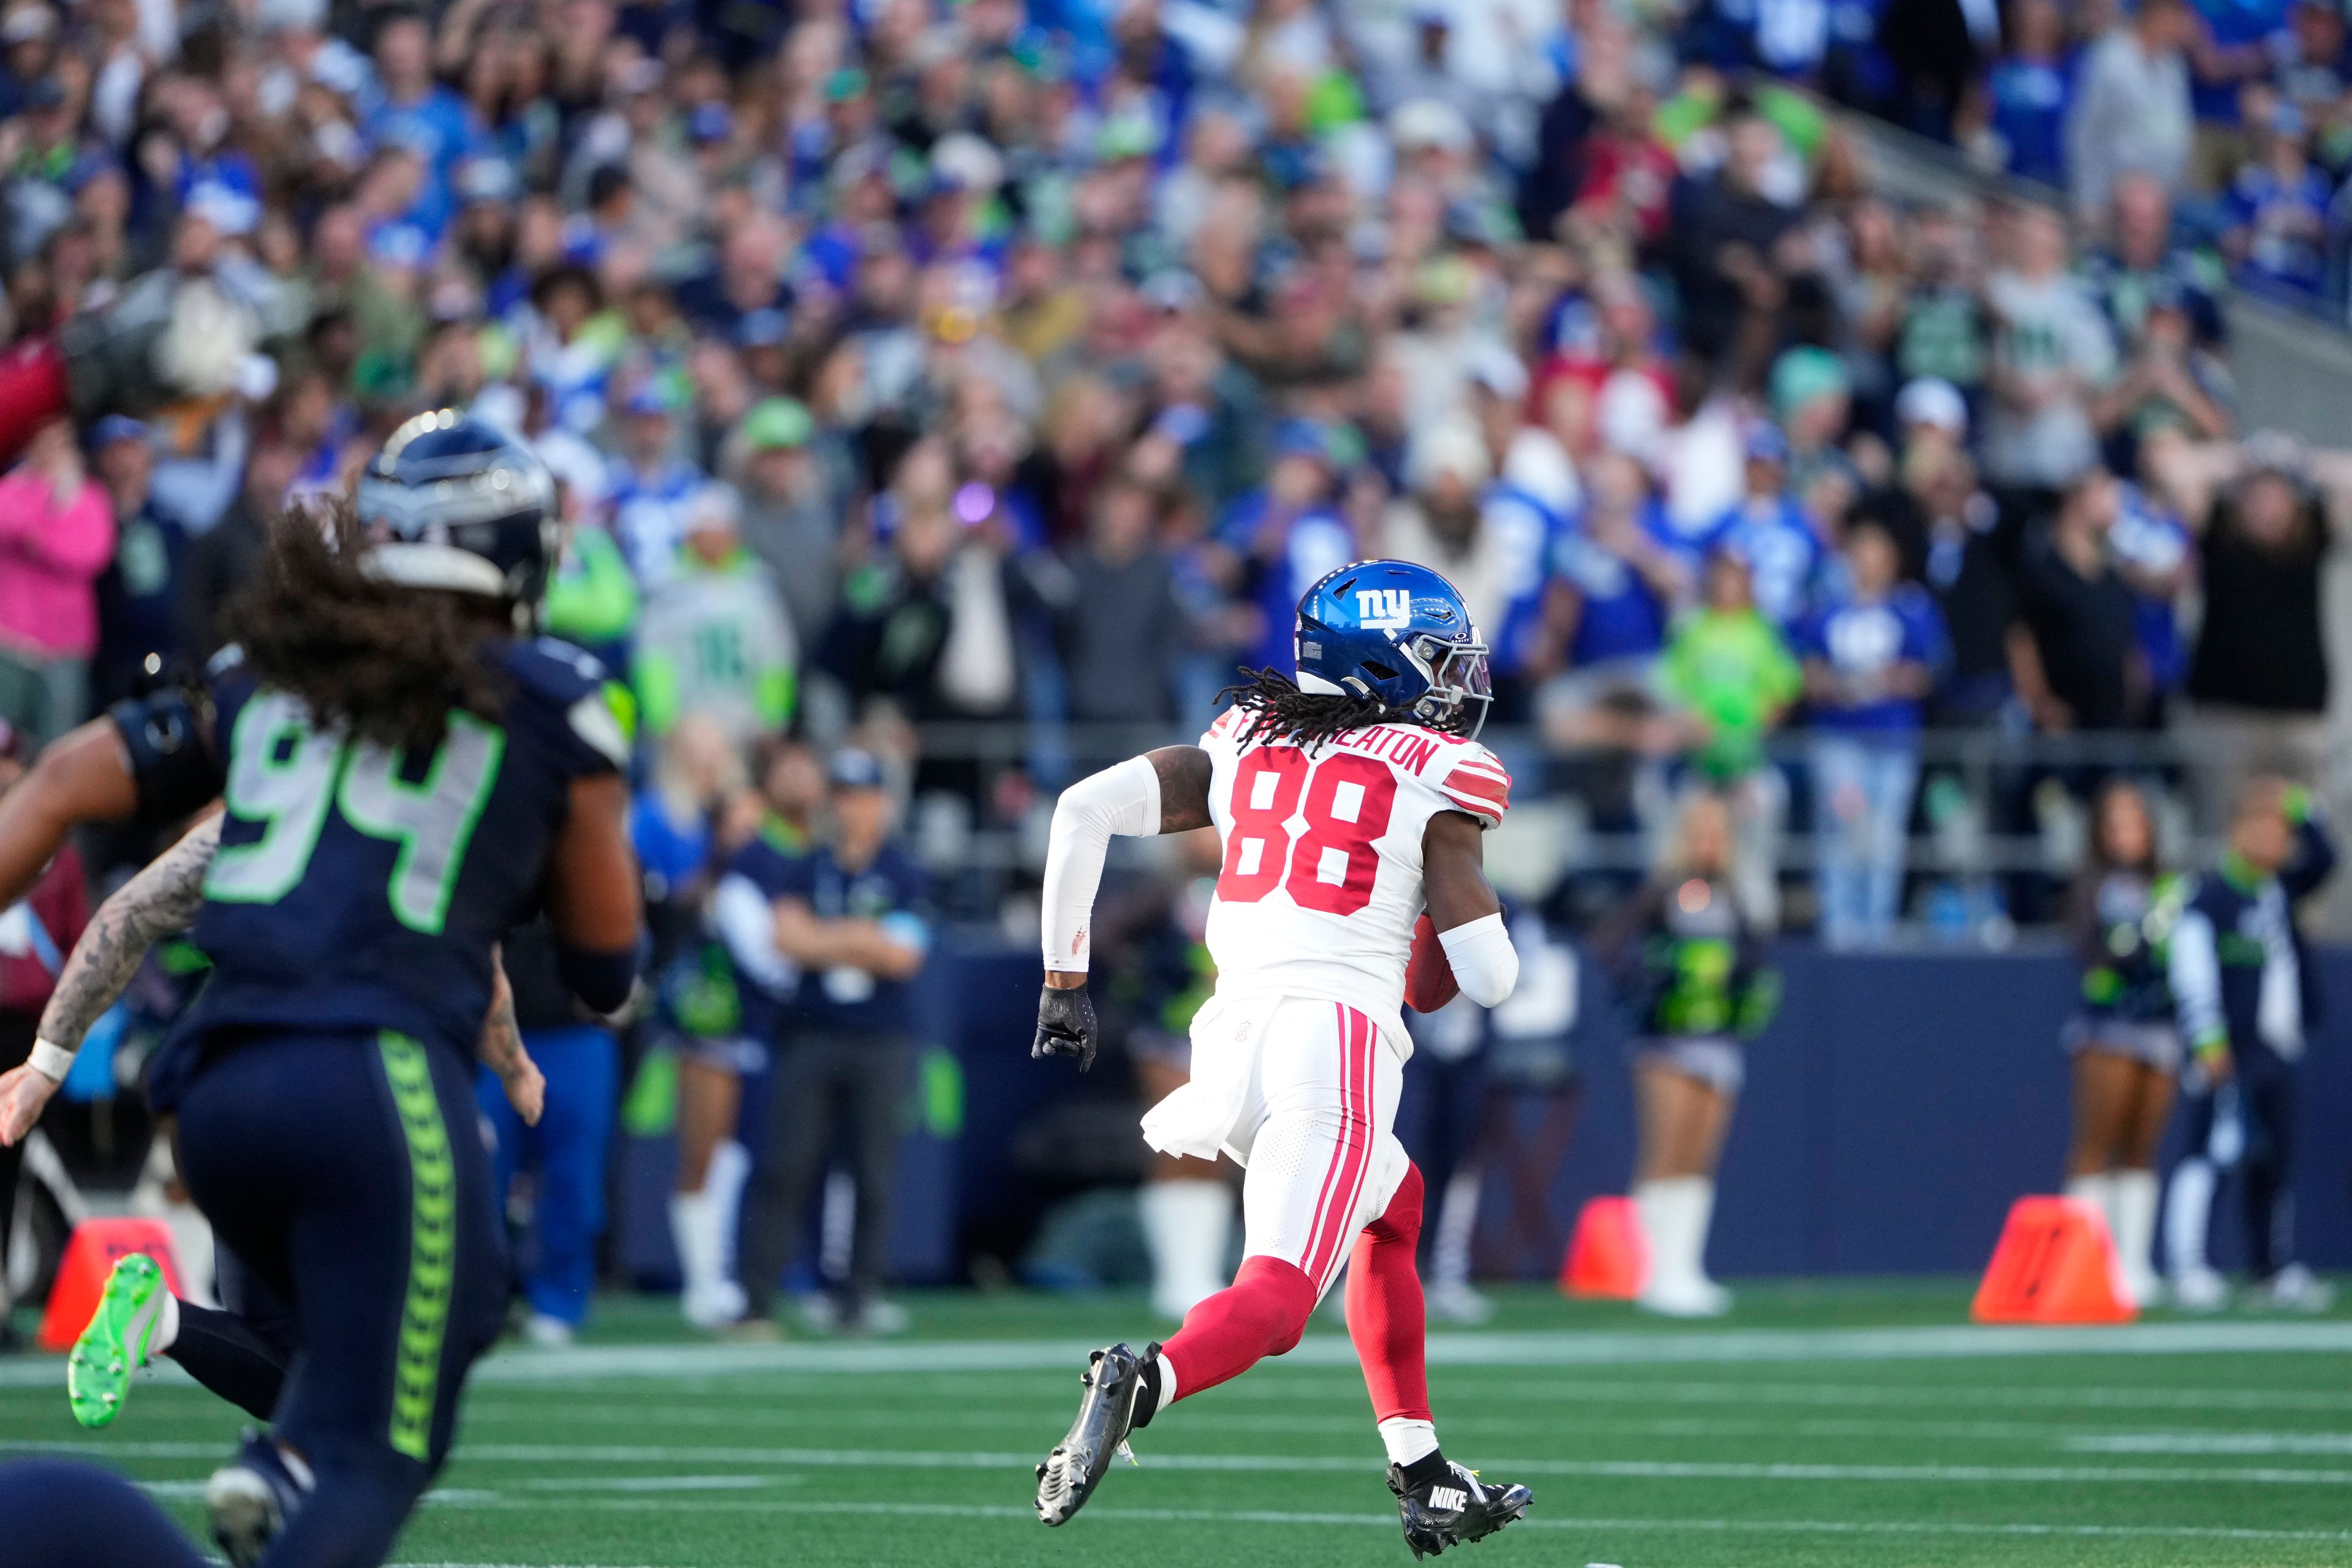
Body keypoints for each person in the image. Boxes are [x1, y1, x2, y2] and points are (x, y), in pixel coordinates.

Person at [0, 412, 641, 1568]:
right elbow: (607, 965)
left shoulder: (263, 677)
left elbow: (56, 784)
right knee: (384, 1441)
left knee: (369, 1343)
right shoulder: (552, 696)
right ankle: (300, 1463)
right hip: (374, 1074)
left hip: (219, 1087)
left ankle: (275, 1456)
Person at [1027, 559, 1534, 1555]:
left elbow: (1080, 810)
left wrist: (1063, 981)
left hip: (1230, 1039)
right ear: (1381, 663)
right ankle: (1144, 1382)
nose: (1457, 684)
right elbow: (1487, 980)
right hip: (1332, 1044)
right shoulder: (1436, 770)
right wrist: (1452, 901)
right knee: (1280, 1299)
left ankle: (1420, 1465)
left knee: (1395, 1202)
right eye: (1437, 661)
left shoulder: (1246, 733)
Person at [0, 812, 546, 1431]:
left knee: (282, 1357)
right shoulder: (423, 818)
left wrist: (46, 1064)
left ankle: (164, 1320)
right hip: (358, 1095)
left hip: (225, 1097)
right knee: (400, 1359)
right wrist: (516, 1067)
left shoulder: (257, 812)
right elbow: (494, 967)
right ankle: (304, 1482)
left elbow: (128, 912)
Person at [729, 747, 930, 1338]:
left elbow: (902, 956)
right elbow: (786, 939)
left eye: (863, 796)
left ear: (882, 803)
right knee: (786, 1163)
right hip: (812, 1033)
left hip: (880, 1038)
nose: (852, 809)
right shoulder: (805, 865)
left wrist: (827, 938)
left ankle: (857, 1297)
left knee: (872, 1170)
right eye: (842, 795)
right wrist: (860, 937)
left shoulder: (902, 870)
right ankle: (755, 1299)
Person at [1591, 792, 1781, 1317]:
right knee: (1666, 1152)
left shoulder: (1739, 894)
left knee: (1700, 1158)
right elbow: (1610, 941)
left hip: (1719, 1040)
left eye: (1716, 830)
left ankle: (1686, 1267)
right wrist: (1646, 986)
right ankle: (1653, 1272)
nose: (1707, 841)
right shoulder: (1661, 891)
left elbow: (1757, 955)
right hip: (1666, 1042)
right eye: (1698, 829)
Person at [2164, 777, 2336, 1313]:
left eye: (2280, 832)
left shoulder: (2279, 890)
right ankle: (2188, 1265)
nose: (2274, 840)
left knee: (2275, 1162)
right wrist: (2207, 1038)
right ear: (2237, 832)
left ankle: (2271, 1268)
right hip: (2228, 1048)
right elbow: (2191, 966)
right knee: (2209, 1156)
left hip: (2275, 1049)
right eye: (2260, 827)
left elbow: (2328, 856)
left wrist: (2294, 803)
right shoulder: (2210, 895)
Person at [2060, 780, 2182, 1309]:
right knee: (2096, 1141)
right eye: (2115, 823)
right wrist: (2124, 952)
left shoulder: (2170, 886)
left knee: (2141, 1145)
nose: (2126, 833)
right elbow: (2093, 954)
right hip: (2109, 1025)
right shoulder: (2092, 885)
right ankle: (2085, 1265)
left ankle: (2132, 1264)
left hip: (2161, 1025)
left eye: (2134, 821)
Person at [1798, 521, 1949, 946]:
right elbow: (1806, 674)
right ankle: (1839, 928)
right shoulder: (1826, 610)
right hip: (1838, 738)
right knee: (1842, 832)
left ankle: (1877, 929)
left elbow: (1925, 673)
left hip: (1892, 740)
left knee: (1884, 838)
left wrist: (1869, 683)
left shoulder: (1911, 608)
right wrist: (1848, 685)